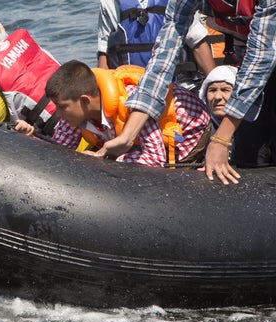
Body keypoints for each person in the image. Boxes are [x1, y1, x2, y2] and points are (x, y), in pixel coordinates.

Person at [100, 0, 276, 184]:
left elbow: (261, 57)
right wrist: (128, 136)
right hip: (248, 62)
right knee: (249, 153)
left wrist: (221, 140)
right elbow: (163, 57)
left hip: (262, 57)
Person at [44, 60, 210, 167]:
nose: (58, 113)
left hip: (186, 138)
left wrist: (103, 162)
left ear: (85, 101)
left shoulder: (132, 103)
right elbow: (58, 151)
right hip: (139, 144)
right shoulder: (74, 113)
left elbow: (155, 159)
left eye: (61, 107)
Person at [97, 0, 217, 89]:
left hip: (179, 87)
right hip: (129, 89)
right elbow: (104, 55)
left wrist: (215, 84)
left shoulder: (179, 2)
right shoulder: (109, 3)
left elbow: (197, 43)